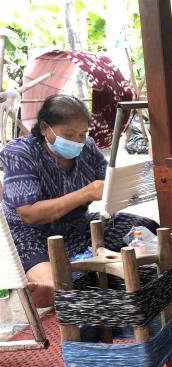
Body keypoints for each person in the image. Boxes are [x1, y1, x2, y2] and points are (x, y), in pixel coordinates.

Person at [0, 95, 158, 308]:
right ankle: (58, 287)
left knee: (144, 227)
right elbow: (29, 214)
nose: (77, 141)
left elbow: (109, 183)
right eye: (69, 134)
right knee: (55, 285)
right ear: (45, 128)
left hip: (77, 226)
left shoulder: (87, 147)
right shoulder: (20, 153)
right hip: (31, 235)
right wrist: (86, 193)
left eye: (82, 134)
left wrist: (131, 183)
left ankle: (84, 279)